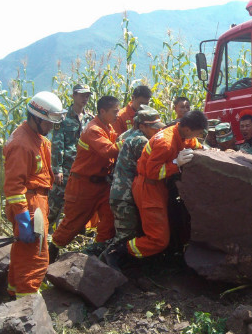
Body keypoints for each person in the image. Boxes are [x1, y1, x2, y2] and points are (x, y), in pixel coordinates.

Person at [103, 111, 207, 268]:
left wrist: (207, 150)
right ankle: (118, 251)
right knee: (158, 239)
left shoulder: (180, 134)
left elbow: (194, 144)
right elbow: (152, 172)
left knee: (163, 230)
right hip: (149, 189)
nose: (198, 137)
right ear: (188, 129)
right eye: (199, 133)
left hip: (157, 188)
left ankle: (134, 256)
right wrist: (175, 164)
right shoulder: (165, 142)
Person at [3, 91, 66, 297]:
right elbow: (14, 186)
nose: (50, 127)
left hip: (37, 202)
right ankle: (27, 307)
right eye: (47, 122)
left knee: (23, 255)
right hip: (30, 206)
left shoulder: (36, 138)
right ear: (36, 117)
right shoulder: (22, 144)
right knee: (35, 259)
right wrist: (22, 218)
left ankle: (14, 294)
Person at [49, 96, 121, 262]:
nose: (118, 114)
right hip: (83, 184)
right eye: (115, 111)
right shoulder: (93, 129)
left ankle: (98, 251)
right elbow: (109, 151)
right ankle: (53, 250)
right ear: (103, 111)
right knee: (74, 222)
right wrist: (130, 141)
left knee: (109, 218)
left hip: (102, 184)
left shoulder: (107, 127)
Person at [108, 107, 165, 247]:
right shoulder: (141, 141)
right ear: (142, 126)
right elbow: (152, 167)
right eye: (153, 127)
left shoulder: (129, 135)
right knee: (124, 238)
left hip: (122, 195)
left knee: (126, 235)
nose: (157, 130)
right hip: (124, 197)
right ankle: (103, 260)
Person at [48, 84, 94, 234]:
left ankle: (76, 235)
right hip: (66, 168)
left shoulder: (90, 119)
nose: (85, 98)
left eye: (87, 95)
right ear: (74, 96)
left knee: (78, 205)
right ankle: (45, 233)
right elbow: (57, 144)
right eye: (81, 95)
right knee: (55, 202)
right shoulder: (63, 118)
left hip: (82, 170)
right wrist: (57, 170)